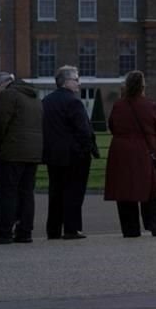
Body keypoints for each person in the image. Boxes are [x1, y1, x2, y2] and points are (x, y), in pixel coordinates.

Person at [0, 73, 43, 244]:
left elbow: (1, 123)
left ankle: (4, 232)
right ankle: (25, 232)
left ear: (2, 85)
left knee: (7, 192)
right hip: (33, 151)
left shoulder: (9, 95)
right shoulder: (33, 96)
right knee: (26, 192)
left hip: (13, 150)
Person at [104, 70, 156, 238]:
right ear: (143, 86)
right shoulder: (149, 105)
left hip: (121, 150)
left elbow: (113, 126)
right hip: (144, 149)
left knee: (125, 191)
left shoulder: (118, 105)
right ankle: (154, 225)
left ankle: (130, 229)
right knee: (150, 189)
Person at [42, 66, 99, 240]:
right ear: (66, 81)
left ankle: (53, 229)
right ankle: (72, 228)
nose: (79, 84)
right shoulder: (73, 102)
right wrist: (88, 148)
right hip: (75, 155)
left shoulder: (46, 101)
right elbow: (84, 130)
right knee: (74, 192)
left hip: (53, 154)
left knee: (56, 192)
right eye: (76, 80)